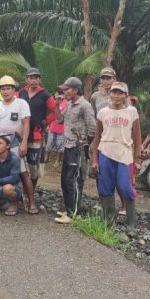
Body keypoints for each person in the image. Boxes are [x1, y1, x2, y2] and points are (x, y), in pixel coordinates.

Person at [91, 82, 142, 231]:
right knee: (105, 188)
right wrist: (95, 159)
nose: (116, 95)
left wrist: (137, 158)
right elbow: (97, 137)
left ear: (126, 95)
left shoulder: (131, 112)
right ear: (110, 94)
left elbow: (137, 137)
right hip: (105, 151)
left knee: (126, 188)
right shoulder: (103, 113)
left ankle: (131, 222)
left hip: (124, 153)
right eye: (114, 92)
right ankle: (108, 219)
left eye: (120, 93)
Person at [0, 75, 37, 214]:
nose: (5, 91)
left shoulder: (21, 103)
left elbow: (26, 123)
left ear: (13, 89)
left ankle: (31, 202)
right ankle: (0, 198)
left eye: (8, 88)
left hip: (15, 143)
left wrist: (24, 143)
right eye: (2, 89)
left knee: (23, 173)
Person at [54, 77, 96, 224]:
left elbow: (93, 128)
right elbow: (59, 120)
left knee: (74, 180)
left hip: (77, 147)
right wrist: (57, 105)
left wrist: (84, 145)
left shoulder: (84, 105)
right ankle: (69, 208)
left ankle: (73, 214)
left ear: (75, 90)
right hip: (67, 145)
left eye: (67, 89)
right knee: (65, 179)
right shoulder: (70, 104)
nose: (64, 92)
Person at [18, 67, 56, 194]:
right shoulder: (20, 93)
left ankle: (30, 193)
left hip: (36, 135)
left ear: (39, 79)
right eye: (31, 78)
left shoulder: (45, 95)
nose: (33, 80)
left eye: (36, 78)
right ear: (26, 79)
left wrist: (46, 121)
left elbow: (54, 111)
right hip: (20, 134)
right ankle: (21, 192)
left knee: (33, 166)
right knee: (19, 164)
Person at [46, 89, 67, 169]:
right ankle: (46, 158)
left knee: (60, 145)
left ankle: (57, 160)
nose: (56, 96)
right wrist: (48, 124)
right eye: (55, 95)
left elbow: (62, 117)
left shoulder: (66, 103)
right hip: (53, 126)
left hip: (62, 128)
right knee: (49, 143)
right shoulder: (52, 102)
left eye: (58, 95)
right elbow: (51, 114)